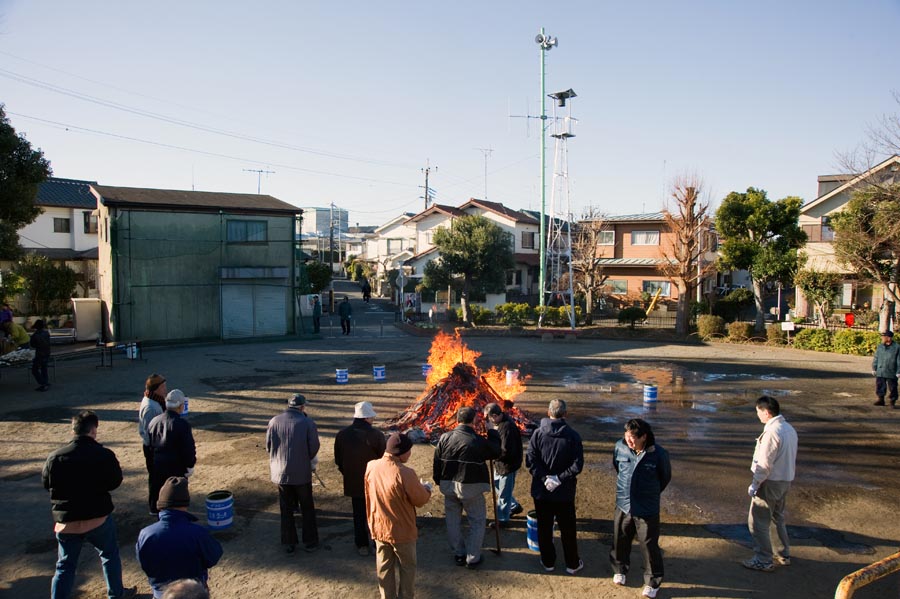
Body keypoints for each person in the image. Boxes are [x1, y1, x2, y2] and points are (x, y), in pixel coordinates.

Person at [42, 410, 137, 599]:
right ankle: (116, 594)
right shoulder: (103, 454)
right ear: (93, 430)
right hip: (97, 517)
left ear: (73, 430)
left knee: (65, 565)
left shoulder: (54, 458)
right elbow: (115, 481)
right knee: (109, 555)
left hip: (67, 521)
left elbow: (47, 484)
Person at [365, 432, 432, 599]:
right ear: (401, 452)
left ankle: (386, 596)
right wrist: (427, 489)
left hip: (379, 525)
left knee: (384, 565)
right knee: (407, 566)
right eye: (409, 451)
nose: (410, 454)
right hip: (401, 529)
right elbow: (420, 499)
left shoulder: (371, 466)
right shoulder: (405, 473)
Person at [432, 406, 501, 569]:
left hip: (448, 485)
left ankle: (459, 553)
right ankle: (473, 557)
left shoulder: (444, 438)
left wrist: (438, 480)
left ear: (457, 420)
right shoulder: (476, 441)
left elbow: (437, 462)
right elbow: (496, 451)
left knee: (452, 520)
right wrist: (492, 432)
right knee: (477, 521)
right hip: (471, 488)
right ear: (474, 421)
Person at [610, 419, 672, 598]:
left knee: (648, 545)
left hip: (646, 507)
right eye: (627, 437)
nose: (629, 441)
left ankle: (652, 581)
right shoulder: (619, 447)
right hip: (624, 503)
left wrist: (649, 494)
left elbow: (664, 477)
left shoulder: (658, 454)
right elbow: (617, 467)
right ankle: (620, 569)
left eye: (633, 438)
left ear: (644, 437)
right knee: (620, 538)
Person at [136, 477, 223, 598]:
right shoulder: (197, 533)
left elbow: (144, 563)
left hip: (161, 594)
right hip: (192, 593)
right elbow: (213, 557)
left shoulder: (145, 534)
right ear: (185, 503)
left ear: (160, 505)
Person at [526, 399, 584, 575]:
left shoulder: (537, 434)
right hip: (564, 493)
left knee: (544, 527)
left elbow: (530, 461)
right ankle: (572, 564)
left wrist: (545, 478)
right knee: (568, 528)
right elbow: (577, 465)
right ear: (565, 414)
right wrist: (559, 478)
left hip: (542, 492)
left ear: (548, 412)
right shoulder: (573, 436)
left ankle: (548, 561)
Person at [743, 395, 798, 572]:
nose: (757, 415)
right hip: (785, 480)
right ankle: (783, 553)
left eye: (758, 412)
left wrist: (755, 484)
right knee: (777, 518)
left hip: (770, 482)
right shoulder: (788, 428)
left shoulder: (772, 433)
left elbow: (764, 464)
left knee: (757, 521)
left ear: (766, 412)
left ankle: (763, 559)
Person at [266, 392, 320, 553]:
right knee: (307, 507)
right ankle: (310, 541)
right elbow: (314, 447)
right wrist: (305, 459)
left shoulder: (274, 421)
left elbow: (269, 445)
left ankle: (289, 543)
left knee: (286, 507)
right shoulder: (307, 422)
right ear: (302, 407)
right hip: (302, 473)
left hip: (280, 473)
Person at [335, 401, 387, 555]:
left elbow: (339, 460)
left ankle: (362, 545)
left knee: (358, 514)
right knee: (376, 512)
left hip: (353, 481)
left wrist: (348, 473)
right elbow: (383, 458)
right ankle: (378, 541)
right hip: (374, 481)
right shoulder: (376, 435)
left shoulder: (342, 435)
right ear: (367, 418)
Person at [148, 389, 197, 517]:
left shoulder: (154, 422)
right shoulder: (182, 425)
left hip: (158, 466)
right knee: (177, 499)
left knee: (162, 496)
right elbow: (188, 449)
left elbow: (149, 446)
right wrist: (190, 465)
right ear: (181, 406)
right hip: (176, 468)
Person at [483, 402, 523, 526]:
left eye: (488, 417)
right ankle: (514, 506)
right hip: (500, 464)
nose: (487, 420)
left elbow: (505, 451)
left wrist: (492, 454)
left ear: (494, 415)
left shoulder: (506, 428)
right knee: (498, 487)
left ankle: (502, 520)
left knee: (503, 494)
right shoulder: (499, 424)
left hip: (507, 465)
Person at [139, 374, 168, 514]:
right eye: (163, 387)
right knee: (156, 478)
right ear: (156, 389)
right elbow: (149, 430)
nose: (165, 389)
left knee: (159, 476)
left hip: (155, 445)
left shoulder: (156, 401)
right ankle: (154, 507)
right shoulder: (151, 407)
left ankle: (160, 503)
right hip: (153, 447)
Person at [872, 330, 900, 407]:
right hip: (881, 370)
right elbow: (876, 358)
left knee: (893, 387)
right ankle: (881, 399)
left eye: (884, 337)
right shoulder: (880, 346)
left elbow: (899, 360)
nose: (882, 338)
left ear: (889, 338)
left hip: (892, 371)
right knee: (880, 385)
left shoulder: (897, 347)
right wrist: (874, 368)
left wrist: (898, 371)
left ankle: (892, 401)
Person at [30, 318, 51, 391]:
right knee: (44, 368)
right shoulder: (46, 333)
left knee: (34, 370)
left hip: (39, 354)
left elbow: (32, 345)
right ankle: (46, 382)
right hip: (47, 352)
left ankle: (43, 383)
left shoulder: (35, 335)